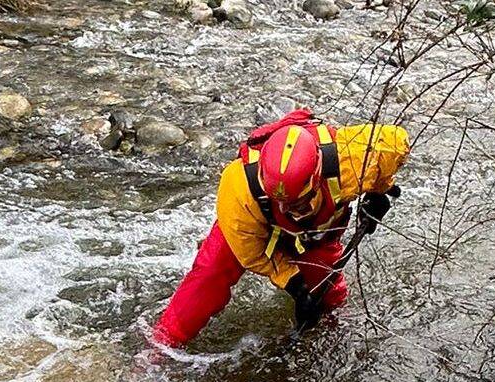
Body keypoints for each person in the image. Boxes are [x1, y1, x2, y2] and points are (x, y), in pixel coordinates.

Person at [152, 109, 410, 349]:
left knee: (331, 298)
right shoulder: (239, 190)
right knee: (209, 275)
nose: (287, 211)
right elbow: (252, 255)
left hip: (315, 232)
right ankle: (161, 347)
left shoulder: (354, 158)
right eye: (282, 203)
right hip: (255, 224)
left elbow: (395, 143)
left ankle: (333, 338)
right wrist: (295, 285)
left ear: (317, 176)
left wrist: (380, 190)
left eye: (298, 202)